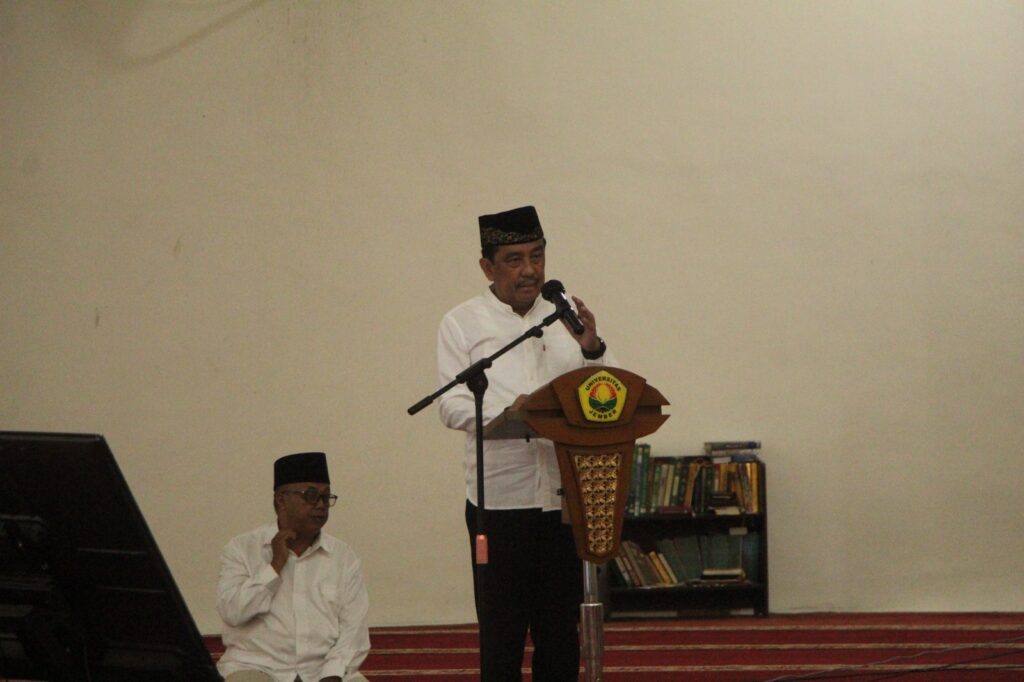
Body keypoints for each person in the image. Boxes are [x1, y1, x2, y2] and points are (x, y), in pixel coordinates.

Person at [436, 205, 617, 681]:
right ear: (487, 267)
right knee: (502, 638)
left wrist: (592, 348)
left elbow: (608, 392)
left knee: (559, 637)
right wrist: (509, 412)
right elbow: (451, 404)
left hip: (561, 501)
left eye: (537, 256)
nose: (530, 270)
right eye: (514, 260)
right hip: (499, 505)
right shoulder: (462, 323)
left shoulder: (565, 317)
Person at [216, 451, 370, 682]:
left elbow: (354, 630)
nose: (321, 505)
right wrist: (275, 566)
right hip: (256, 667)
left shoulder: (344, 557)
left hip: (322, 671)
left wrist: (332, 674)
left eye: (326, 497)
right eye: (311, 495)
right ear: (281, 499)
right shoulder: (241, 549)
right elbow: (233, 612)